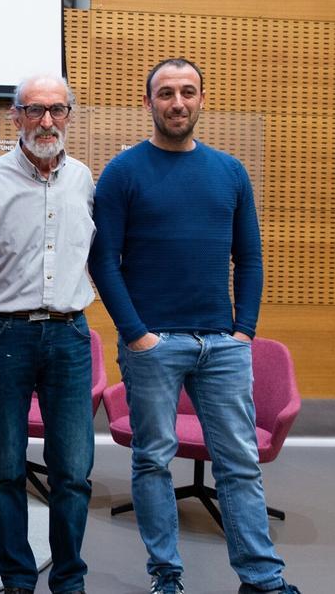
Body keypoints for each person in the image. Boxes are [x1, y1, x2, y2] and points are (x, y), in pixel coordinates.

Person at [89, 58, 300, 594]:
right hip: (152, 345)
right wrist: (136, 333)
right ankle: (166, 577)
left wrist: (244, 331)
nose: (177, 102)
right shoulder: (122, 173)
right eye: (165, 93)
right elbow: (103, 260)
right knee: (153, 462)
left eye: (187, 92)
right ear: (148, 103)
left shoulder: (230, 172)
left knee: (240, 465)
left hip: (222, 346)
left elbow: (249, 259)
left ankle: (262, 579)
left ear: (202, 100)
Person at [0, 75, 95, 594]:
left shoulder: (83, 180)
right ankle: (16, 578)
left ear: (69, 116)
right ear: (14, 117)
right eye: (35, 111)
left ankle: (69, 579)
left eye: (57, 110)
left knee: (74, 471)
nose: (47, 121)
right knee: (8, 468)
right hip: (4, 337)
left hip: (69, 338)